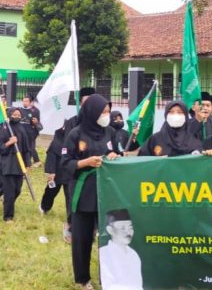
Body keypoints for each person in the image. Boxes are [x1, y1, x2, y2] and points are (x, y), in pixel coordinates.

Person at [61, 93, 120, 290]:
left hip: (107, 192)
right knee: (82, 239)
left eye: (108, 112)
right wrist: (84, 162)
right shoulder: (75, 134)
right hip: (84, 192)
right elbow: (65, 163)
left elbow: (118, 154)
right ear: (92, 112)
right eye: (103, 112)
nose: (106, 115)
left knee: (109, 237)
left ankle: (108, 278)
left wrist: (114, 155)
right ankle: (82, 279)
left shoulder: (110, 132)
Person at [0, 107, 30, 222]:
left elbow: (26, 148)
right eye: (14, 114)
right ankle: (8, 217)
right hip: (8, 165)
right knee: (9, 192)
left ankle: (7, 203)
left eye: (18, 115)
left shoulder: (22, 129)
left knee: (17, 190)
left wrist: (28, 164)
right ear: (10, 115)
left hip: (20, 165)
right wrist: (9, 143)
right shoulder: (5, 129)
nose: (17, 116)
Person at [40, 125, 73, 243]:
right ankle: (44, 207)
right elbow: (51, 158)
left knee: (70, 196)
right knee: (51, 192)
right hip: (57, 174)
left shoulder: (73, 142)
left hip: (69, 174)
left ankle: (71, 217)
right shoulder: (56, 143)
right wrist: (51, 172)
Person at [139, 101, 203, 157]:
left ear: (186, 116)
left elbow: (199, 162)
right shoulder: (155, 139)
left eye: (180, 112)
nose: (175, 115)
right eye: (171, 112)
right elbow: (143, 161)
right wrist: (157, 161)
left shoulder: (193, 138)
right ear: (166, 115)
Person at [99, 209, 142, 290]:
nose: (128, 232)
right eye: (122, 228)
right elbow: (109, 286)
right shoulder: (104, 254)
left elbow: (138, 285)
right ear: (110, 230)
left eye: (130, 227)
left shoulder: (133, 254)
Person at [20, 95, 43, 167]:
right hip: (22, 132)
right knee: (25, 147)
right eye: (23, 101)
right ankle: (27, 161)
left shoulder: (35, 110)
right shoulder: (20, 109)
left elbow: (37, 122)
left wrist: (36, 122)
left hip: (32, 132)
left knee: (31, 147)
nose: (25, 103)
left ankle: (37, 161)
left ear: (30, 102)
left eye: (26, 101)